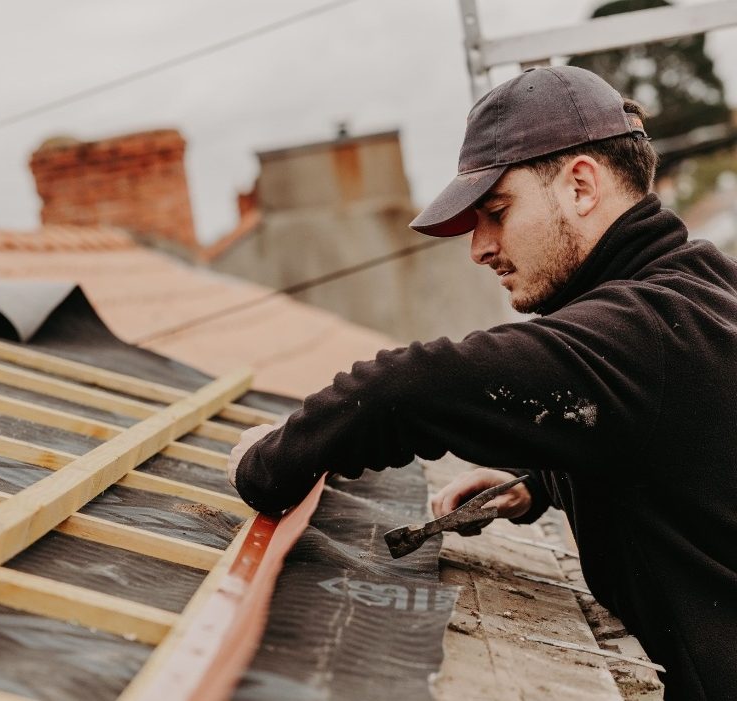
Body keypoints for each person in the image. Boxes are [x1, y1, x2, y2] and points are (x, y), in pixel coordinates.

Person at [228, 66, 737, 700]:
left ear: (581, 185)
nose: (480, 248)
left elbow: (408, 388)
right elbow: (673, 441)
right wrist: (541, 483)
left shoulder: (645, 334)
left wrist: (264, 463)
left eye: (496, 212)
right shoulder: (705, 287)